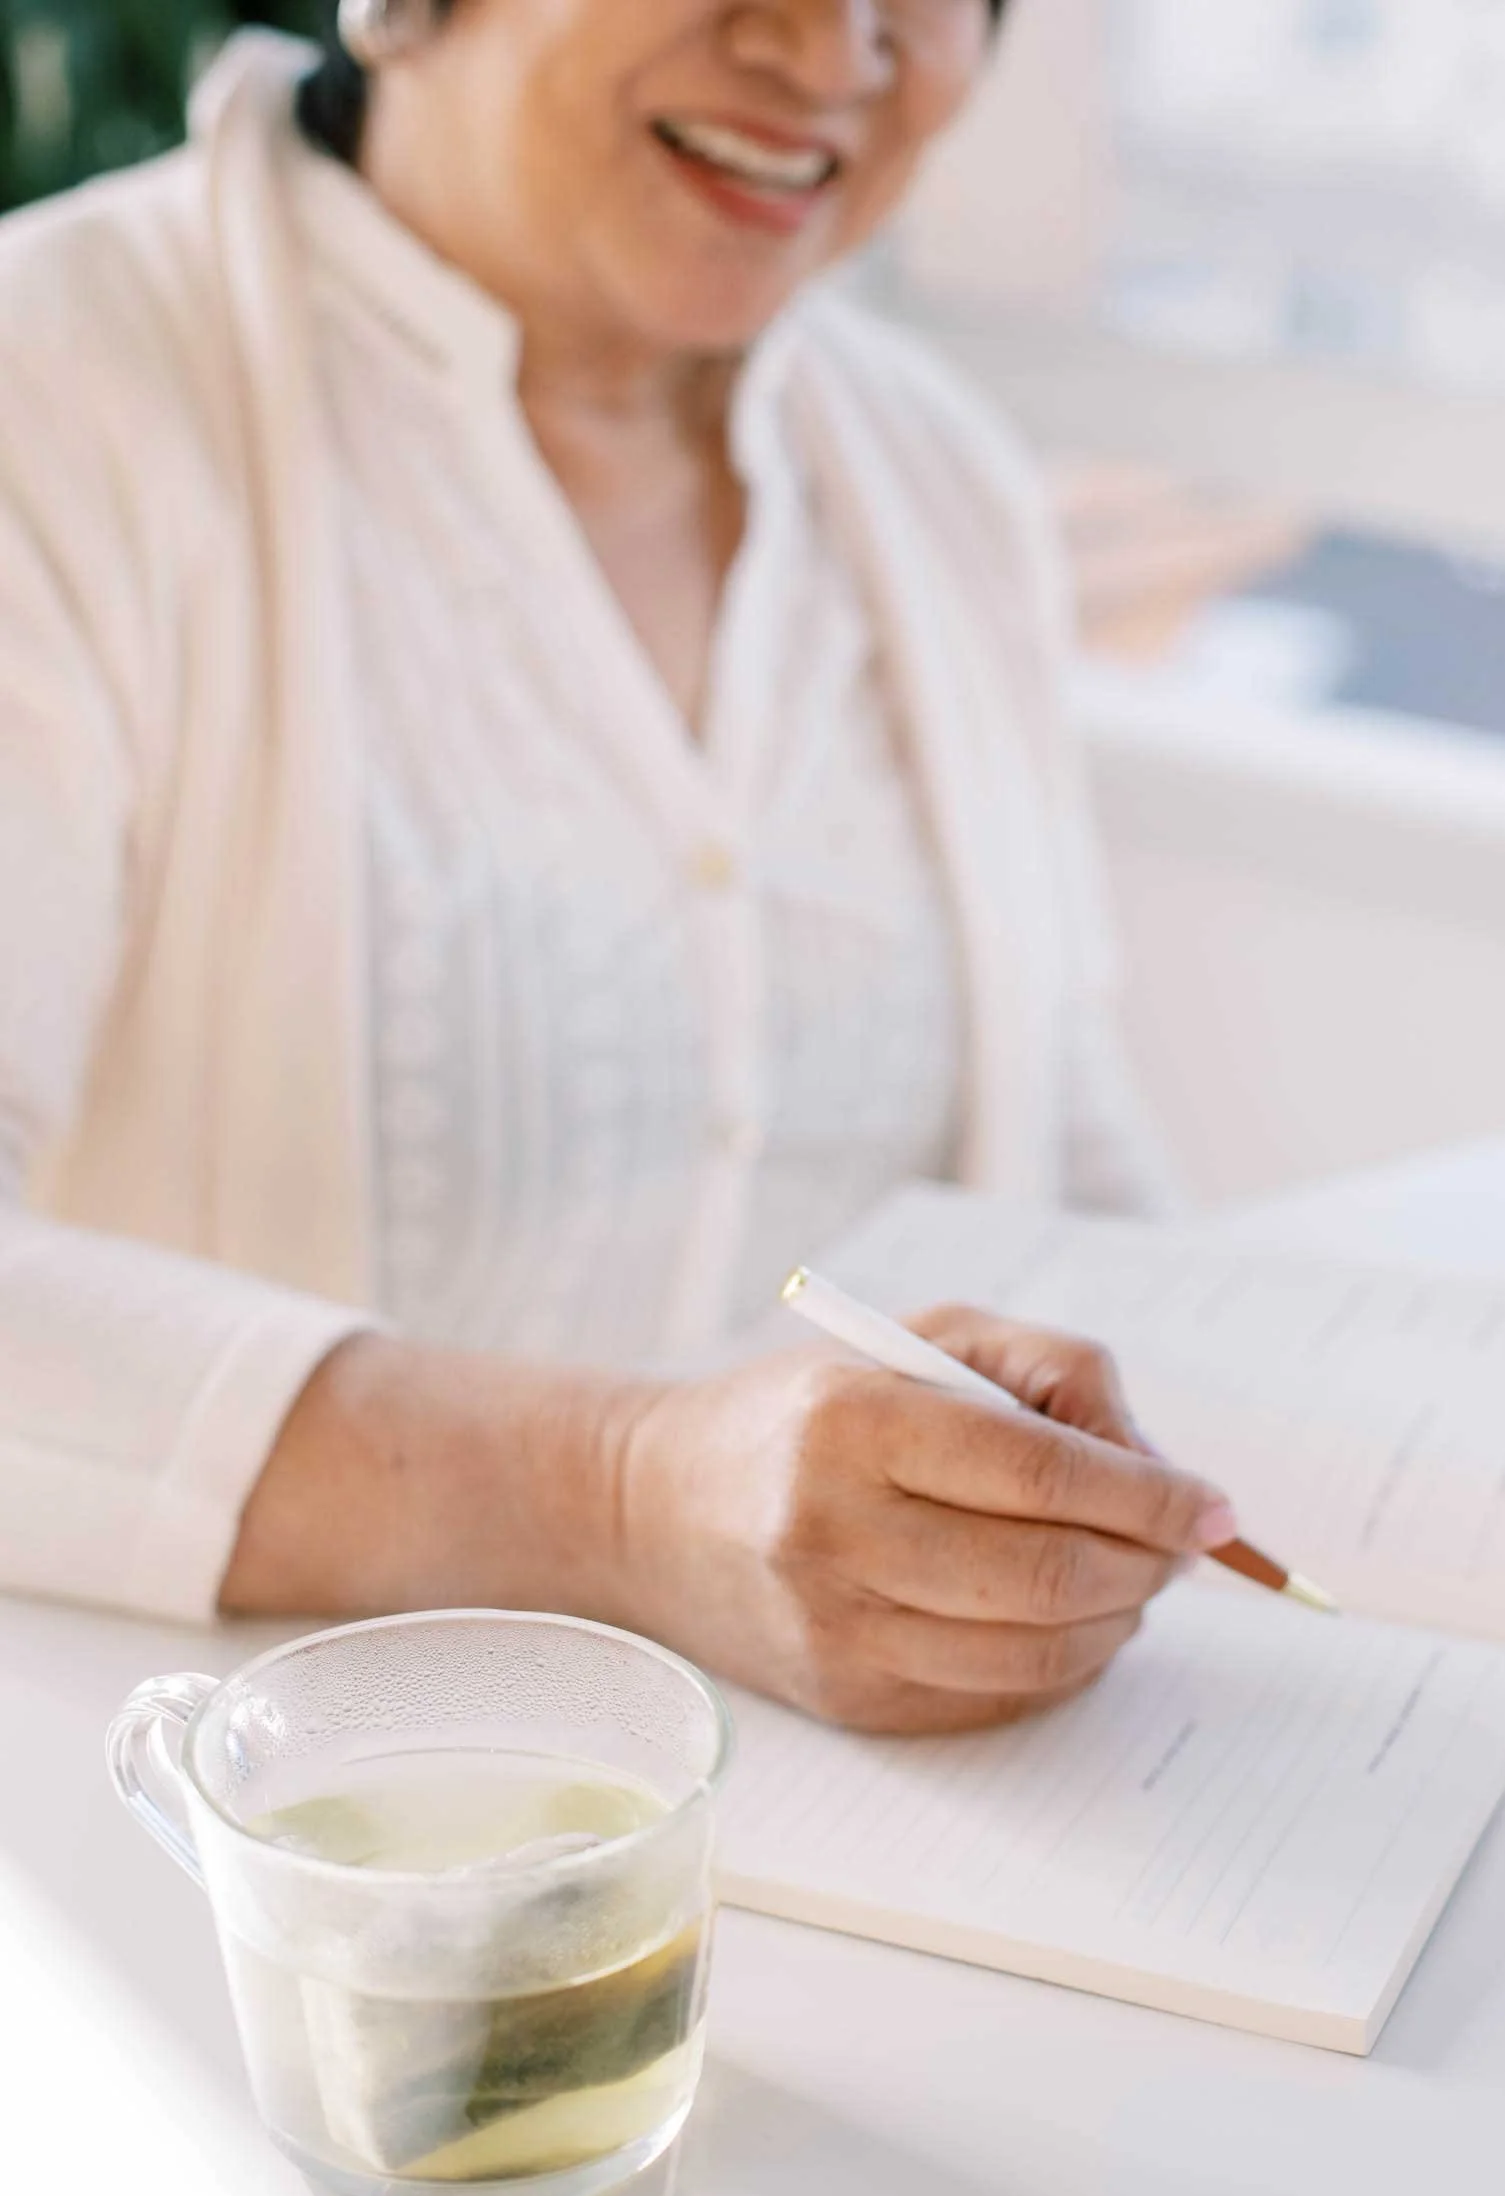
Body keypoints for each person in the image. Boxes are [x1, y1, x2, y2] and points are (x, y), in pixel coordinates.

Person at [0, 0, 1235, 1735]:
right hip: (264, 1878)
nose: (833, 56)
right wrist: (622, 1491)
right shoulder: (49, 394)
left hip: (899, 1858)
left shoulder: (940, 484)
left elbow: (1064, 1141)